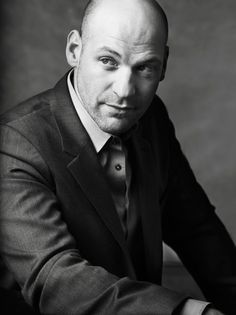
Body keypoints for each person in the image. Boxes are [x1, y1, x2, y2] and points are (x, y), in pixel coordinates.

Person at [0, 0, 235, 314]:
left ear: (163, 64)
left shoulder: (152, 119)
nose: (125, 91)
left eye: (144, 68)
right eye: (108, 61)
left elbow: (196, 228)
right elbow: (55, 277)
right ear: (74, 50)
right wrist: (190, 312)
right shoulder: (15, 141)